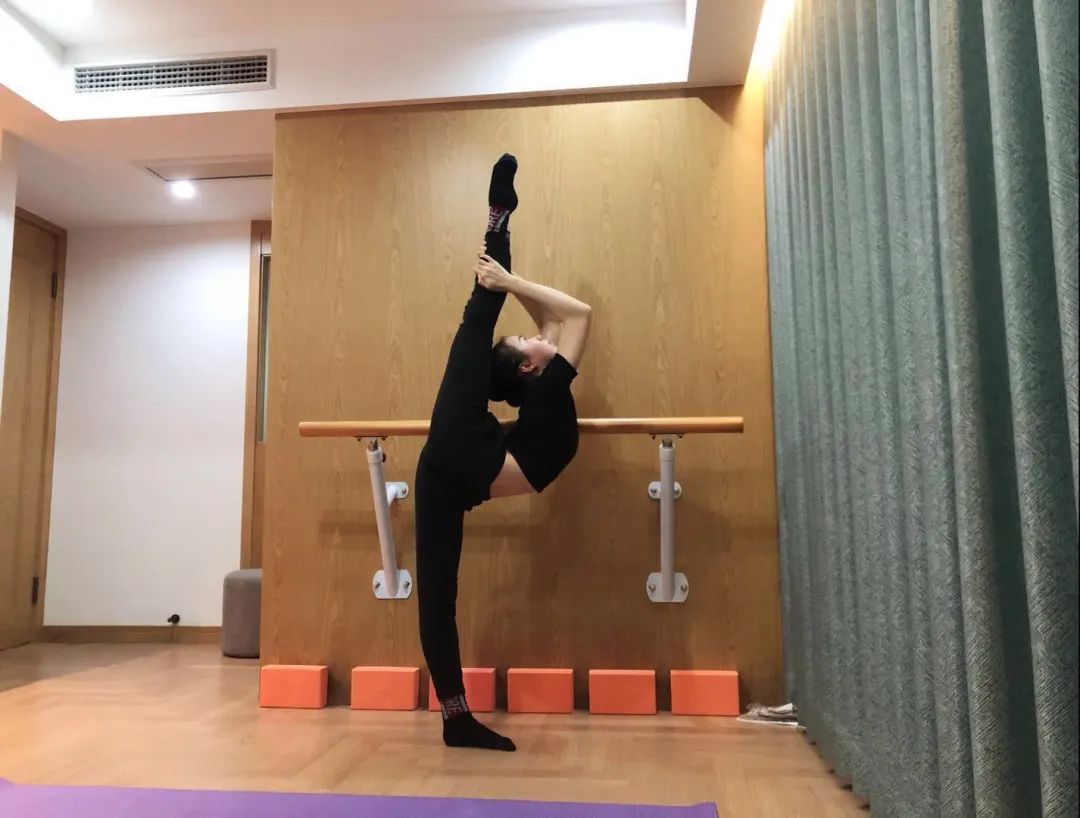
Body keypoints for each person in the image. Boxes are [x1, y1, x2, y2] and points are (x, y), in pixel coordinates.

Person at [415, 153, 592, 751]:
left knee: (478, 316)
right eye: (530, 341)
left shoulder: (547, 382)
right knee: (437, 596)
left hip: (463, 462)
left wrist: (506, 283)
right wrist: (507, 284)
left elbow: (566, 317)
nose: (538, 336)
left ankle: (498, 221)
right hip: (463, 466)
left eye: (528, 341)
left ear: (525, 368)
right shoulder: (550, 380)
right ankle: (455, 717)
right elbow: (562, 316)